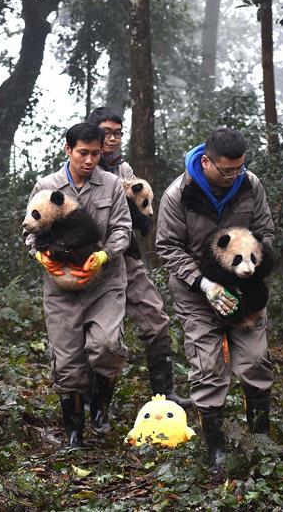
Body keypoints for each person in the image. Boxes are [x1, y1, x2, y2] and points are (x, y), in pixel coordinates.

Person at [155, 127, 275, 472]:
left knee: (255, 361)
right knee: (207, 368)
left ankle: (260, 440)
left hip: (245, 288)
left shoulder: (250, 185)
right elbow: (167, 247)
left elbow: (265, 230)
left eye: (239, 168)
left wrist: (254, 257)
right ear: (206, 162)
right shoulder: (178, 194)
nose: (234, 176)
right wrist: (204, 283)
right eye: (226, 170)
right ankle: (216, 447)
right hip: (197, 293)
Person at [25, 122, 132, 448]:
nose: (89, 160)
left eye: (95, 154)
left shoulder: (112, 184)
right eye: (83, 153)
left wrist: (103, 256)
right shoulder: (47, 185)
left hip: (104, 282)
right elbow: (30, 228)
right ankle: (74, 431)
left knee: (106, 346)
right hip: (62, 284)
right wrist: (40, 256)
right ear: (68, 149)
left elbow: (122, 229)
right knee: (68, 361)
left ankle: (100, 407)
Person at [85, 106, 190, 408]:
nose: (113, 139)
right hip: (88, 262)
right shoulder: (81, 164)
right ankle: (93, 401)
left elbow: (142, 224)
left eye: (118, 133)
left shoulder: (123, 170)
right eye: (107, 133)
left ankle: (164, 393)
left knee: (155, 317)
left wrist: (135, 199)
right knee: (98, 333)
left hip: (125, 257)